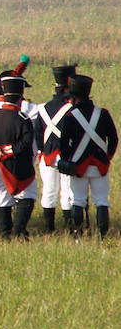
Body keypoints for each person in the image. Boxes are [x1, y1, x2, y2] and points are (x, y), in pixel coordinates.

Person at [55, 74, 117, 237]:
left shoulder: (70, 116)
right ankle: (103, 237)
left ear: (74, 97)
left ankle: (77, 235)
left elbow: (63, 143)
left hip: (78, 166)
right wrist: (107, 157)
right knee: (102, 201)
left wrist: (68, 160)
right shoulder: (103, 113)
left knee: (78, 200)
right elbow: (114, 139)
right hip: (100, 165)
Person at [0, 74, 36, 238]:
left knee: (2, 199)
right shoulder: (23, 118)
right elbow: (26, 143)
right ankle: (18, 232)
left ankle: (5, 235)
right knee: (27, 195)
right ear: (20, 98)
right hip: (17, 166)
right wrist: (8, 151)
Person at [33, 63, 77, 233]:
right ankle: (69, 228)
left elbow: (38, 134)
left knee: (49, 191)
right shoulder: (72, 108)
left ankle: (49, 229)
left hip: (47, 155)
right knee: (67, 191)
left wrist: (41, 152)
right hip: (68, 155)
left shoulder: (42, 108)